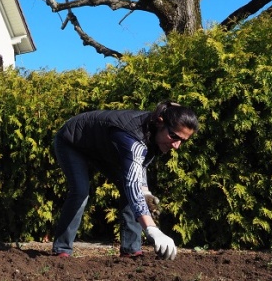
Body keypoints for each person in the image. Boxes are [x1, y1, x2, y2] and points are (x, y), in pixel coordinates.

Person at [51, 100, 199, 260]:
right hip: (72, 141)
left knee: (133, 192)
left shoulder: (154, 133)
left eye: (183, 141)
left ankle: (131, 251)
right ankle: (62, 249)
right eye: (174, 136)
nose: (177, 145)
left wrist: (146, 192)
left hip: (101, 147)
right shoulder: (132, 136)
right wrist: (152, 228)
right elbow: (133, 183)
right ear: (160, 122)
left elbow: (139, 167)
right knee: (80, 191)